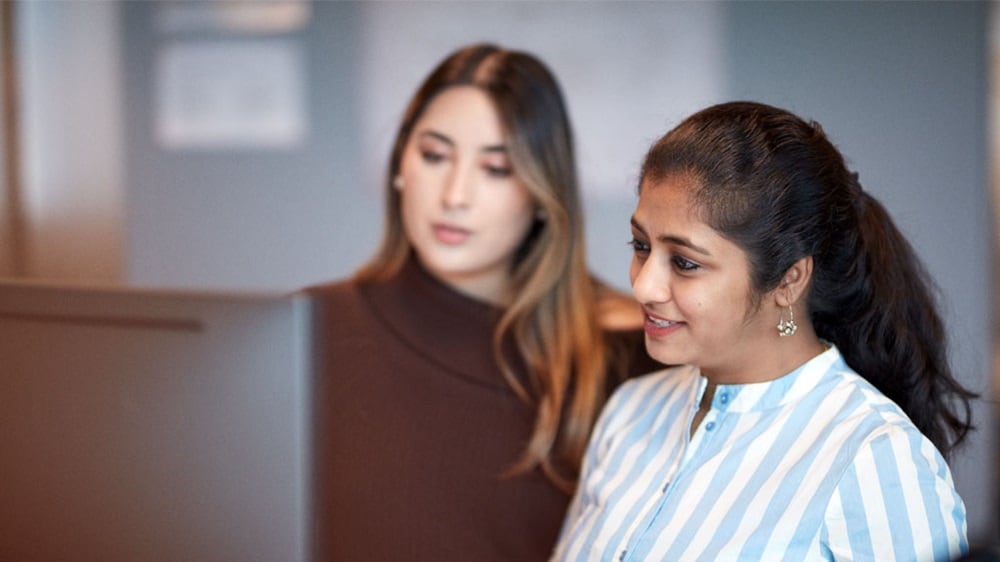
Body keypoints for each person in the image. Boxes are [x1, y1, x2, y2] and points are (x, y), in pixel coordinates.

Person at [552, 101, 976, 561]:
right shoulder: (630, 413)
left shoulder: (871, 457)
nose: (644, 285)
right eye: (641, 245)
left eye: (685, 263)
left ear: (789, 280)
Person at [305, 44, 660, 561]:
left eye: (496, 168)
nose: (455, 194)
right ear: (400, 165)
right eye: (434, 156)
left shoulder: (635, 352)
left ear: (542, 194)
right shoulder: (305, 330)